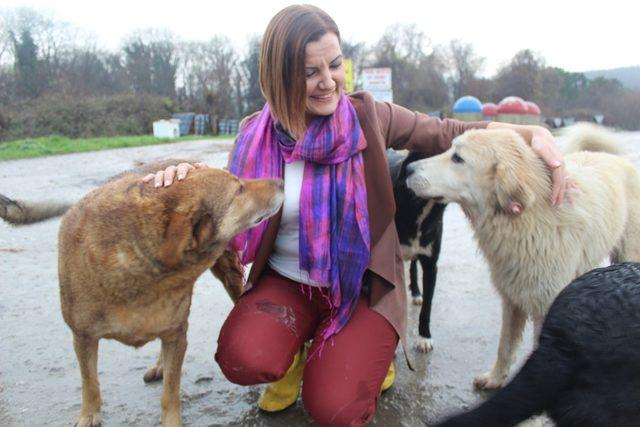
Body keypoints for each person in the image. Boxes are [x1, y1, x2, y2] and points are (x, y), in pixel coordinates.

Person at [145, 4, 570, 426]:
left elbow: (447, 131)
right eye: (311, 72)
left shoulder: (368, 116)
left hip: (361, 290)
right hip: (287, 285)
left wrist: (530, 133)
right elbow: (222, 194)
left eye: (334, 65)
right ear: (280, 76)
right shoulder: (254, 136)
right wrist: (180, 177)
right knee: (242, 358)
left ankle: (368, 352)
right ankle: (297, 346)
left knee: (335, 407)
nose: (329, 82)